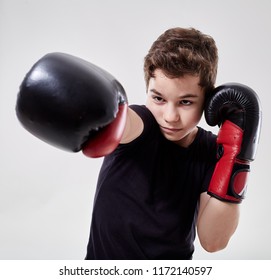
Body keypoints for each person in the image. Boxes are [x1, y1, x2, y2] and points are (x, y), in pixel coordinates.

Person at [16, 27, 261, 260]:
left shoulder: (211, 151)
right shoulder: (139, 123)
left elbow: (213, 241)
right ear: (147, 91)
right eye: (158, 98)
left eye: (185, 102)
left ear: (208, 100)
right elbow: (123, 122)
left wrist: (236, 157)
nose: (170, 116)